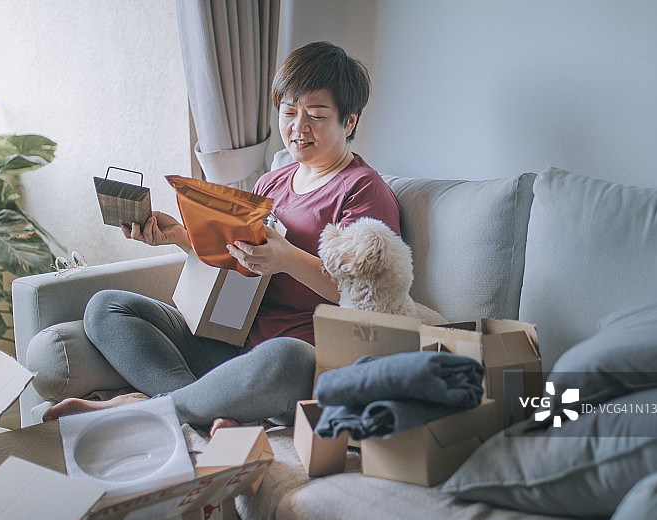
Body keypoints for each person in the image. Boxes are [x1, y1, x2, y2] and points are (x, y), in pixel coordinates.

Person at [43, 42, 402, 434]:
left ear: (349, 122)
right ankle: (202, 407)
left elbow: (367, 299)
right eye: (288, 111)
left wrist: (288, 258)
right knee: (106, 308)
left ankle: (146, 409)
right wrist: (182, 238)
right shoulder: (272, 182)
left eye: (316, 115)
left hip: (302, 361)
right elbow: (241, 264)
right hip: (234, 345)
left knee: (284, 357)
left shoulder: (363, 191)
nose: (299, 128)